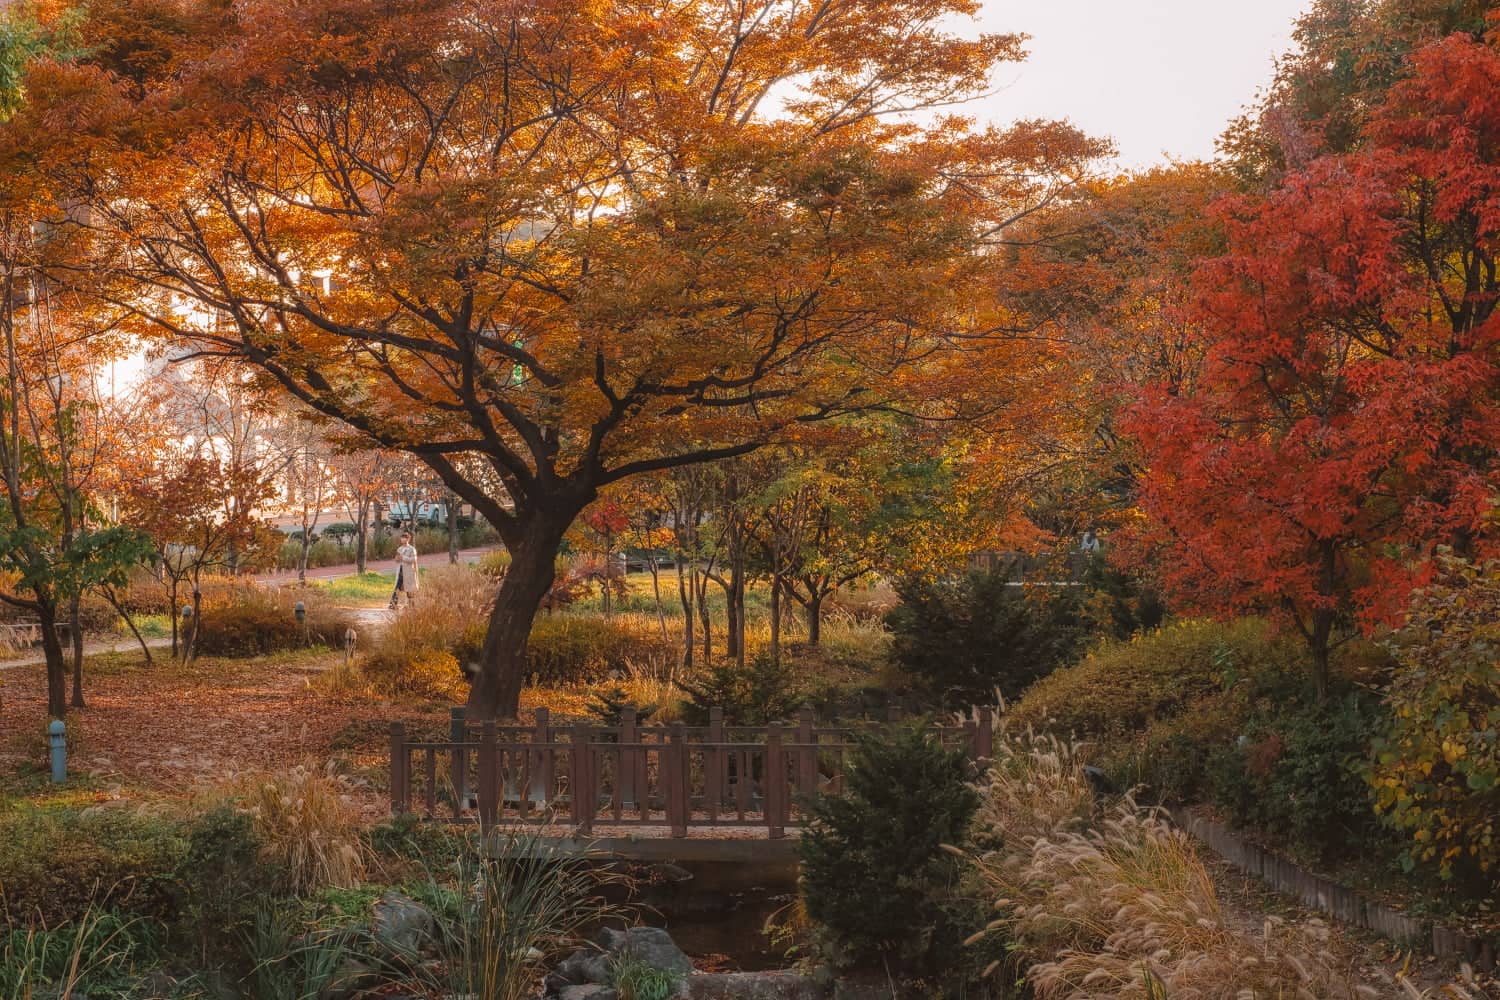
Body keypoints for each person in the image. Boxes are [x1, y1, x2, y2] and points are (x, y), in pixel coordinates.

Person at [389, 531, 420, 609]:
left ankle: (411, 604)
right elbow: (397, 559)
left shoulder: (412, 549)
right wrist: (397, 559)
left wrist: (403, 558)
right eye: (401, 538)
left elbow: (414, 559)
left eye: (404, 538)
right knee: (397, 587)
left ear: (408, 539)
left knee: (409, 588)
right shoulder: (399, 549)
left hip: (408, 571)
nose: (402, 540)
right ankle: (393, 604)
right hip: (400, 570)